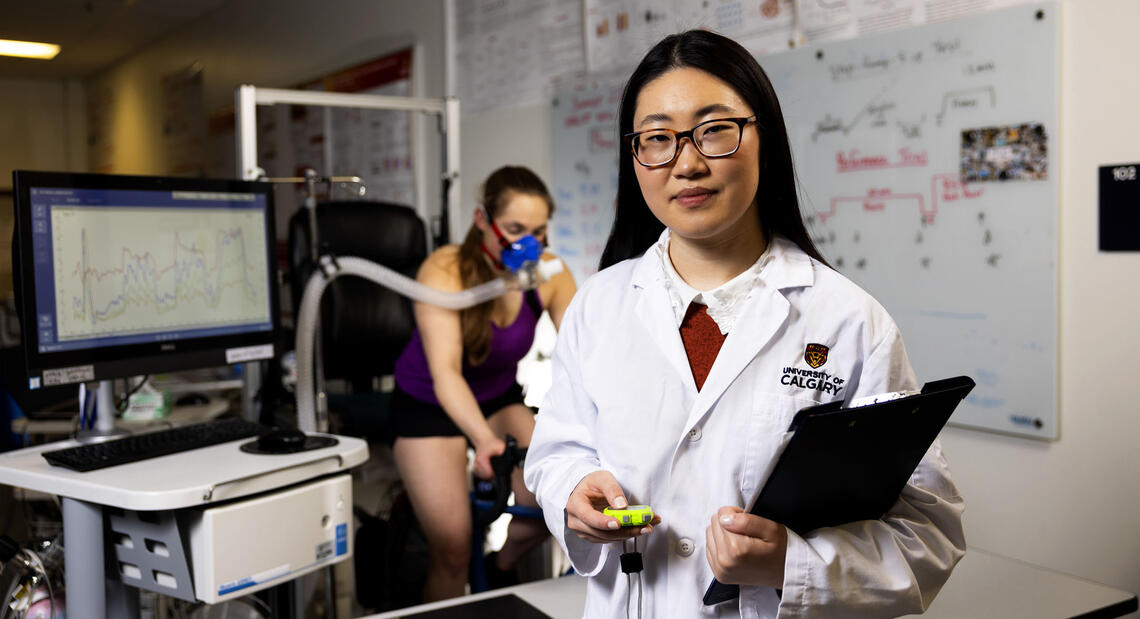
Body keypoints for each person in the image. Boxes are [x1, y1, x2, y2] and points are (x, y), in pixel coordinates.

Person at [524, 30, 966, 618]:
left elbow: (927, 534)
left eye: (714, 130)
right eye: (657, 138)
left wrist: (791, 564)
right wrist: (573, 493)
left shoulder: (848, 320)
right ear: (635, 157)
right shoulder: (598, 304)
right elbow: (558, 451)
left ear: (767, 139)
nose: (686, 162)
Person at [390, 166, 577, 602]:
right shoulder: (445, 271)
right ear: (482, 221)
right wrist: (483, 442)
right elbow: (446, 375)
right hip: (428, 405)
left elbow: (583, 354)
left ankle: (502, 566)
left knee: (549, 501)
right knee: (453, 548)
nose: (527, 244)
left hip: (498, 397)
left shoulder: (548, 272)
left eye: (538, 231)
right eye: (514, 229)